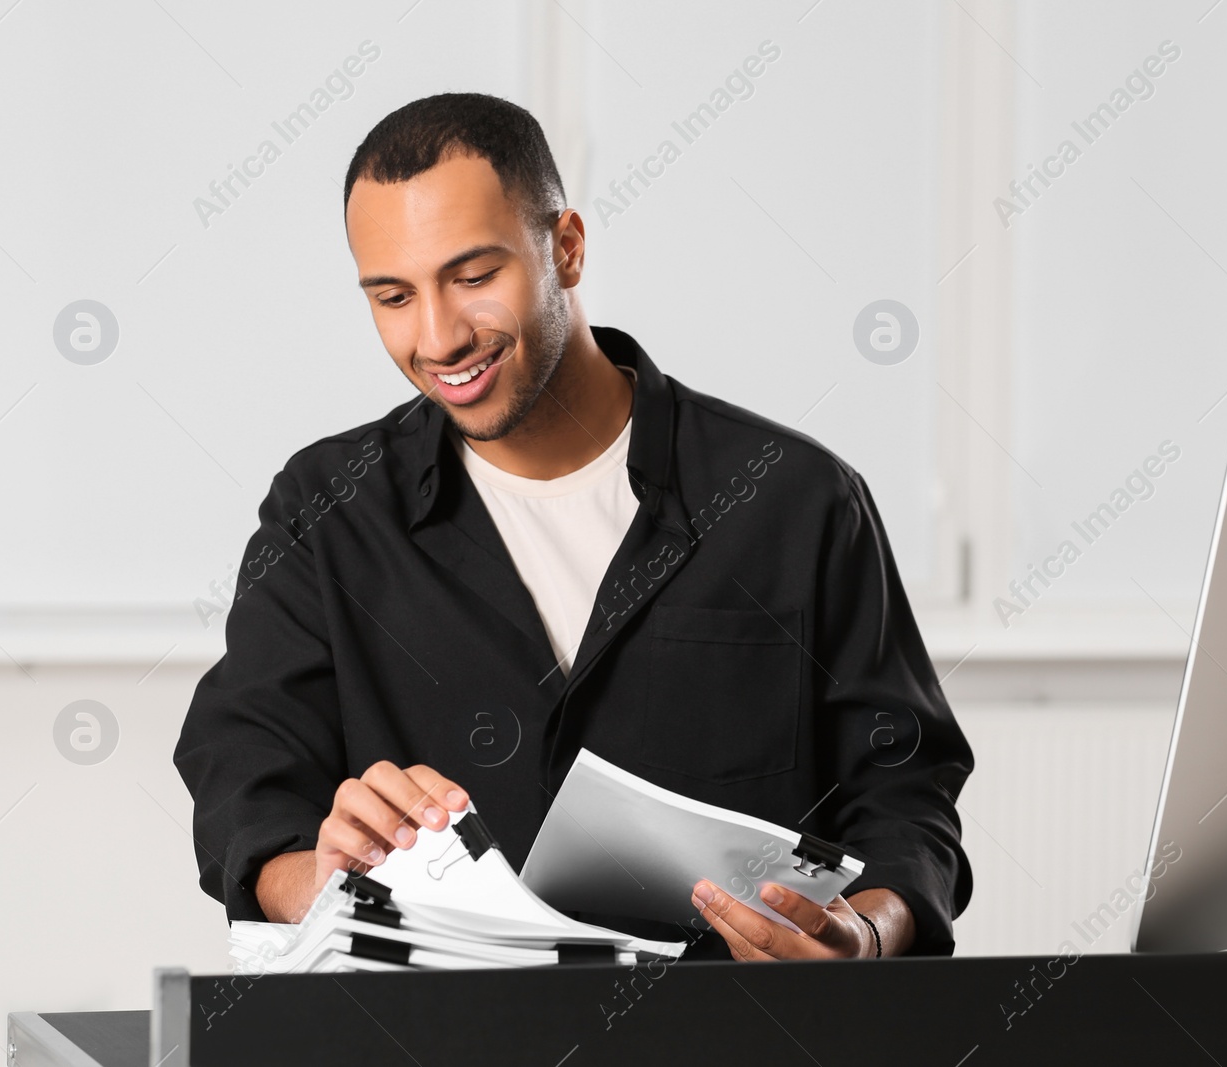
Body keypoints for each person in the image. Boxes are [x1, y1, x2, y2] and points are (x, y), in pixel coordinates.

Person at [174, 92, 974, 960]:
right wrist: (324, 883)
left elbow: (905, 794)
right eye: (393, 296)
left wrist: (865, 933)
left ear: (567, 247)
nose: (437, 337)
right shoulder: (324, 510)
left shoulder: (795, 500)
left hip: (739, 1036)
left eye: (474, 277)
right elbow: (243, 783)